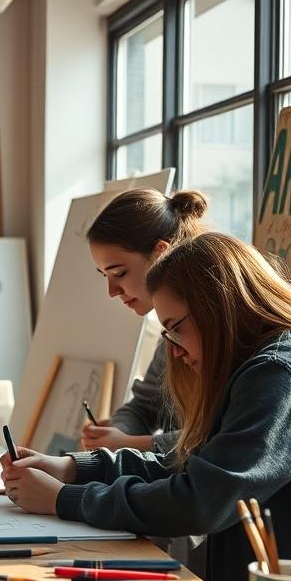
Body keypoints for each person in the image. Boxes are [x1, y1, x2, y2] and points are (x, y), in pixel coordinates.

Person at [1, 233, 291, 581]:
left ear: (217, 306)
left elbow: (201, 501)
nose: (174, 351)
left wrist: (62, 499)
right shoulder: (270, 359)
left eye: (176, 330)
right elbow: (193, 462)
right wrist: (73, 468)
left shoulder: (279, 372)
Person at [81, 188, 209, 453]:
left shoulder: (214, 332)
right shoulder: (171, 335)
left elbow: (220, 440)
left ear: (160, 254)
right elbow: (145, 406)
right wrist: (117, 433)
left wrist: (128, 443)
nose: (112, 291)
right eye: (104, 276)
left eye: (120, 273)